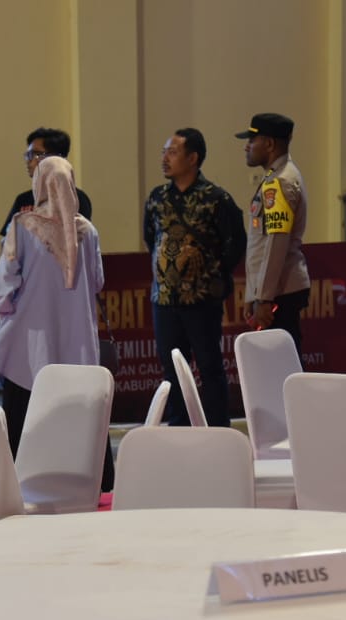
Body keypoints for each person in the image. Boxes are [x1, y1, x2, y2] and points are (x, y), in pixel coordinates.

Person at [0, 155, 104, 456]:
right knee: (79, 414)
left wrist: (6, 310)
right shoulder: (88, 231)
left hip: (30, 340)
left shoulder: (23, 226)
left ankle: (25, 473)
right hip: (79, 339)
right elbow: (97, 282)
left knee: (24, 414)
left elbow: (4, 284)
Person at [143, 127, 245, 428]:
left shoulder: (216, 199)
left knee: (210, 367)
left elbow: (236, 243)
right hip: (164, 301)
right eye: (164, 152)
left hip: (202, 301)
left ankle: (217, 429)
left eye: (172, 152)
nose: (165, 158)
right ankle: (179, 428)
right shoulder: (157, 198)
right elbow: (151, 238)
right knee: (172, 371)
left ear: (193, 158)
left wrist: (212, 276)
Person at [238, 112, 311, 353]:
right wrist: (253, 295)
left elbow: (275, 245)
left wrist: (264, 298)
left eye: (252, 140)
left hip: (280, 292)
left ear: (269, 144)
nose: (246, 147)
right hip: (276, 290)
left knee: (282, 362)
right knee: (278, 362)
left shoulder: (280, 182)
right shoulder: (276, 176)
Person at [0, 127, 93, 237]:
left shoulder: (77, 198)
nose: (28, 160)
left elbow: (81, 237)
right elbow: (8, 240)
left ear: (56, 158)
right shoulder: (23, 199)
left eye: (34, 154)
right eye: (27, 155)